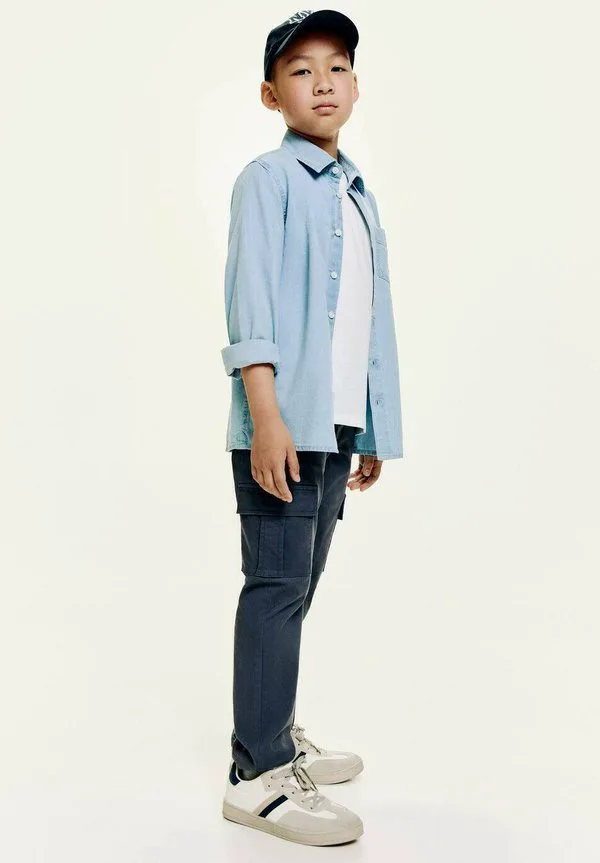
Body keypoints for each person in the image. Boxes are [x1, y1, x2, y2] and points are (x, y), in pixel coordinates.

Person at [220, 9, 404, 846]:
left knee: (300, 582)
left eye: (337, 67)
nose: (322, 82)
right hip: (284, 426)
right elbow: (251, 303)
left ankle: (271, 731)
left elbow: (362, 321)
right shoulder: (268, 180)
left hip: (332, 428)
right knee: (275, 583)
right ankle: (255, 777)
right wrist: (266, 417)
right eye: (300, 70)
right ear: (271, 95)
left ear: (356, 86)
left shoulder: (354, 193)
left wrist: (367, 424)